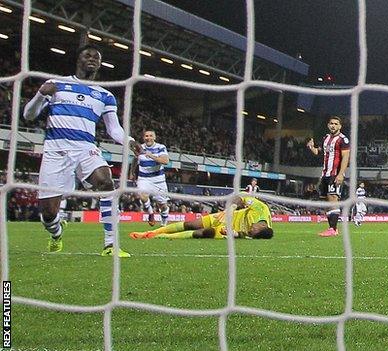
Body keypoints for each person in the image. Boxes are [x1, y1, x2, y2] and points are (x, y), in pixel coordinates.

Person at [23, 44, 141, 257]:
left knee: (107, 183)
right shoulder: (55, 84)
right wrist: (41, 95)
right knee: (49, 213)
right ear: (78, 59)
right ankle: (57, 233)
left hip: (86, 149)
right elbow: (28, 115)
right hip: (56, 150)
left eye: (97, 57)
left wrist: (129, 141)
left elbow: (114, 129)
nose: (93, 59)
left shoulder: (104, 95)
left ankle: (110, 245)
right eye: (88, 55)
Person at [129, 196, 273, 240]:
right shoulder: (261, 209)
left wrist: (233, 233)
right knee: (192, 224)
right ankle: (156, 231)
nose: (250, 230)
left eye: (252, 233)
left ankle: (157, 236)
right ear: (263, 226)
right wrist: (232, 208)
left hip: (227, 228)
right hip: (226, 216)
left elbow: (244, 235)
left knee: (204, 233)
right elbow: (240, 197)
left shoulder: (259, 235)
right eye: (253, 230)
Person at [307, 116, 350, 237]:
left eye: (336, 124)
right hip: (325, 174)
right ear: (328, 125)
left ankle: (333, 229)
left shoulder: (343, 140)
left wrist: (341, 174)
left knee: (333, 199)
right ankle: (332, 228)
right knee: (326, 201)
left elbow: (346, 157)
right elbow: (319, 152)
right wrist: (311, 147)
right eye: (331, 123)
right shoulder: (325, 138)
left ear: (340, 126)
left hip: (335, 174)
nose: (333, 126)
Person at [130, 130, 170, 226]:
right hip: (144, 178)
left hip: (158, 179)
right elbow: (135, 159)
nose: (148, 138)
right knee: (143, 196)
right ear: (144, 138)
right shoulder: (140, 148)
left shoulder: (161, 147)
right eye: (146, 136)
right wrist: (132, 172)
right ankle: (151, 213)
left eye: (151, 136)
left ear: (154, 137)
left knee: (162, 206)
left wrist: (151, 156)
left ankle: (163, 223)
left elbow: (165, 161)